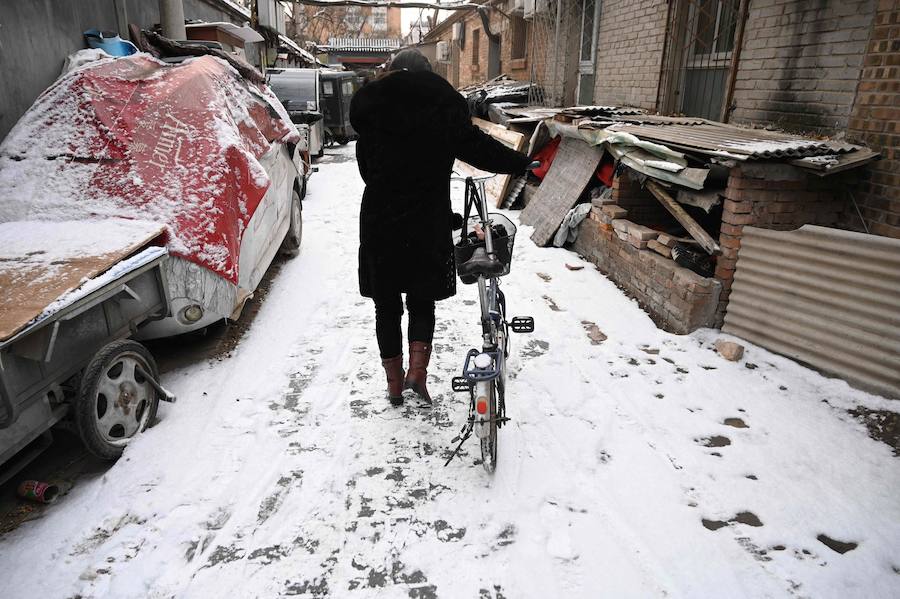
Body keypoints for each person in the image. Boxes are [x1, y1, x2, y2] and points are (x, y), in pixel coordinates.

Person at [349, 49, 531, 406]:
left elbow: (367, 171)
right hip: (427, 220)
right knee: (421, 300)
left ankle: (394, 385)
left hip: (380, 222)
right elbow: (480, 149)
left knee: (386, 305)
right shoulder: (444, 108)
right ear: (428, 74)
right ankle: (417, 374)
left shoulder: (372, 113)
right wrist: (521, 162)